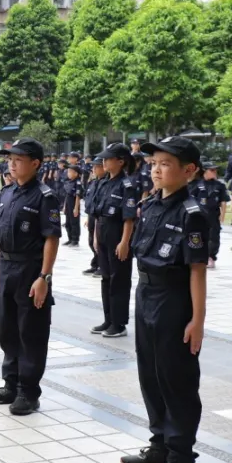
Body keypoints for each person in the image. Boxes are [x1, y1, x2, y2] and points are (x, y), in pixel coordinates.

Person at [120, 137, 208, 463]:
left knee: (176, 379)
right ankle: (160, 445)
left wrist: (197, 320)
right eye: (153, 163)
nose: (156, 169)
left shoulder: (192, 213)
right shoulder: (151, 204)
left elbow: (197, 271)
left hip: (174, 299)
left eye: (165, 163)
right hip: (146, 293)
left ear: (189, 170)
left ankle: (182, 459)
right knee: (151, 374)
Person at [0, 138, 60, 416]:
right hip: (7, 267)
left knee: (31, 332)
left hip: (31, 270)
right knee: (8, 329)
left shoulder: (44, 196)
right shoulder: (7, 192)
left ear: (35, 163)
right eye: (10, 159)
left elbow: (51, 238)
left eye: (18, 159)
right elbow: (0, 235)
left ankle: (28, 392)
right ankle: (10, 384)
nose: (12, 164)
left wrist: (44, 277)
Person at [92, 142, 139, 338]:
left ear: (120, 161)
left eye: (108, 158)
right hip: (103, 232)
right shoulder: (103, 182)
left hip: (118, 234)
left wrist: (124, 242)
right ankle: (108, 319)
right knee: (106, 278)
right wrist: (96, 238)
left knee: (118, 280)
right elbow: (97, 213)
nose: (104, 161)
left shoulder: (127, 185)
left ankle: (119, 324)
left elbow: (129, 217)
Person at [201, 162, 228, 269]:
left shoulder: (219, 185)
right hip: (199, 215)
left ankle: (211, 257)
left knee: (213, 237)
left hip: (213, 214)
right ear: (204, 171)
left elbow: (223, 201)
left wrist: (222, 216)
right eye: (212, 170)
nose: (215, 172)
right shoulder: (197, 183)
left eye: (215, 170)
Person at [83, 158, 105, 277]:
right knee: (92, 241)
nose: (94, 169)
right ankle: (95, 263)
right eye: (93, 167)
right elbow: (90, 201)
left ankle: (102, 266)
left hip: (100, 216)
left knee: (99, 241)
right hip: (91, 215)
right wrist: (88, 217)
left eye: (97, 167)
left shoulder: (105, 183)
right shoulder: (93, 182)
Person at [62, 164, 82, 246]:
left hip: (74, 204)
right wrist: (64, 206)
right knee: (68, 222)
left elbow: (78, 196)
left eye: (70, 172)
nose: (68, 173)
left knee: (74, 223)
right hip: (68, 203)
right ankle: (70, 239)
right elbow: (67, 195)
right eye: (68, 172)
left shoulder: (78, 182)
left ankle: (75, 240)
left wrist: (76, 208)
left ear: (76, 173)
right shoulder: (69, 182)